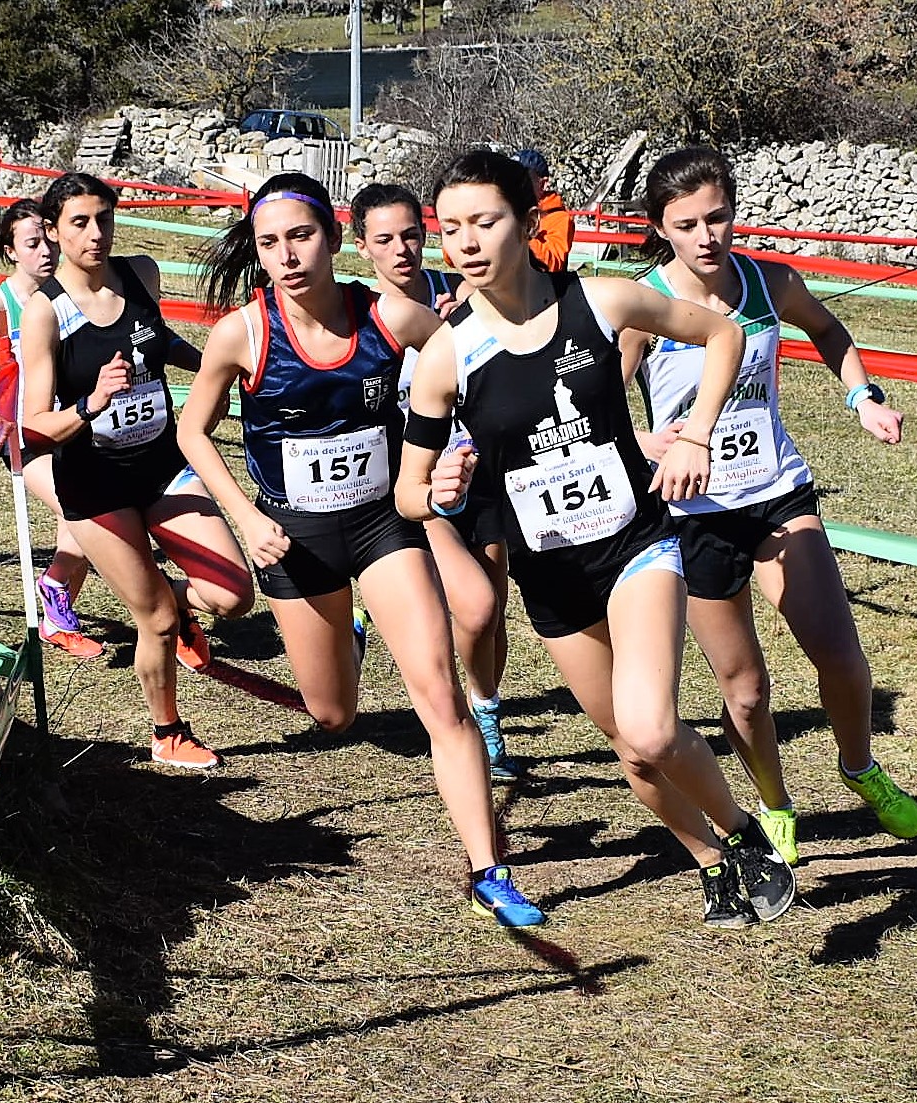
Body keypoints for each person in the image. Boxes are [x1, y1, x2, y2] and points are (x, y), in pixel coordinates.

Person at [399, 148, 794, 930]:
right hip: (552, 579)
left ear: (527, 222)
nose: (466, 242)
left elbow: (723, 335)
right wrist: (437, 489)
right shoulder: (447, 355)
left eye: (484, 221)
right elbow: (408, 492)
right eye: (450, 228)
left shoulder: (602, 300)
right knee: (632, 748)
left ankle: (746, 835)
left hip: (635, 546)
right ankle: (711, 862)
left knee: (652, 724)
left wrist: (696, 435)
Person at [179, 172, 544, 928]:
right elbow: (193, 431)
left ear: (335, 238)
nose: (287, 257)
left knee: (440, 696)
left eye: (301, 237)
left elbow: (466, 368)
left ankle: (489, 869)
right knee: (333, 713)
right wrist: (244, 518)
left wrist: (452, 451)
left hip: (382, 525)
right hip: (294, 537)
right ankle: (345, 639)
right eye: (269, 243)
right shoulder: (243, 333)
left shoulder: (389, 315)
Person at [621, 146, 917, 866]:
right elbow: (593, 403)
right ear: (660, 228)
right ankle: (776, 804)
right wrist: (645, 440)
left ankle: (859, 766)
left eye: (717, 217)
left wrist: (862, 397)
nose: (706, 236)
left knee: (841, 656)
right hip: (694, 514)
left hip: (777, 492)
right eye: (686, 224)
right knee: (748, 691)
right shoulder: (644, 307)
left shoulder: (770, 281)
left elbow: (828, 331)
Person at [20, 172, 255, 769]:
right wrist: (91, 403)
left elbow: (159, 340)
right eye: (79, 223)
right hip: (94, 483)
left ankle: (164, 592)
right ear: (53, 232)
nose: (95, 233)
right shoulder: (45, 313)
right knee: (155, 620)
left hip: (161, 467)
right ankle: (168, 733)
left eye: (103, 218)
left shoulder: (140, 274)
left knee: (232, 597)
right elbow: (35, 426)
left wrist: (217, 366)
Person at [350, 182, 520, 781]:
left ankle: (486, 707)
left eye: (411, 235)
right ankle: (475, 717)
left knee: (491, 612)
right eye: (384, 240)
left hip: (483, 469)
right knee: (474, 607)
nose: (401, 250)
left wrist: (468, 332)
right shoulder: (361, 319)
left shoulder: (465, 293)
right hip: (416, 483)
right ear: (361, 245)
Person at [0, 199, 102, 659]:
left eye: (47, 241)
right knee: (83, 514)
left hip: (71, 424)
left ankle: (57, 615)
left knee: (78, 522)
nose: (45, 252)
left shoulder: (65, 291)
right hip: (24, 436)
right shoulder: (1, 303)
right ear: (11, 251)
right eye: (32, 244)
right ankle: (54, 589)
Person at [513, 149, 575, 273]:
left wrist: (520, 234)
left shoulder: (559, 219)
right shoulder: (508, 209)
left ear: (542, 184)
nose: (515, 184)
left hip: (541, 283)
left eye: (524, 179)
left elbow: (552, 264)